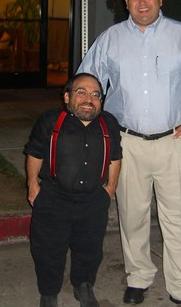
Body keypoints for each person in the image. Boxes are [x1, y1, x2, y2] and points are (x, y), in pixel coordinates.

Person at [77, 0, 181, 307]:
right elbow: (87, 83)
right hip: (127, 143)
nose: (142, 2)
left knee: (177, 218)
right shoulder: (110, 40)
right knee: (132, 215)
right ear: (126, 2)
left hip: (173, 142)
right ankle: (138, 277)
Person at [25, 73, 123, 307]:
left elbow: (115, 157)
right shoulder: (51, 121)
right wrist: (32, 186)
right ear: (67, 97)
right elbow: (35, 153)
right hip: (54, 198)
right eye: (82, 92)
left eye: (95, 94)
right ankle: (49, 292)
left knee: (90, 249)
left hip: (93, 200)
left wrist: (110, 188)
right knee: (48, 250)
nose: (89, 99)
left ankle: (83, 285)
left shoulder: (109, 123)